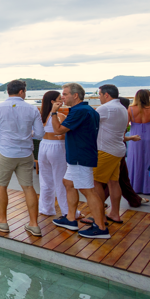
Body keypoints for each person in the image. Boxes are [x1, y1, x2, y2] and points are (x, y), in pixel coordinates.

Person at [0, 80, 44, 236]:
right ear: (22, 91)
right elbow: (39, 134)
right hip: (25, 153)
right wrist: (27, 135)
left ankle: (2, 221)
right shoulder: (32, 109)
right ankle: (34, 224)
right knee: (28, 187)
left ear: (8, 91)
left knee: (1, 186)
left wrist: (2, 134)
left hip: (6, 152)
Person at [50, 83, 108, 238]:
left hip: (79, 157)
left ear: (75, 95)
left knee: (88, 191)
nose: (62, 97)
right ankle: (70, 218)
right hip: (80, 155)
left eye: (65, 94)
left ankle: (101, 228)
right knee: (68, 183)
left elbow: (58, 130)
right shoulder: (88, 110)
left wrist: (53, 113)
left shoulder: (79, 111)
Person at [90, 85, 134, 226]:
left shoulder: (105, 108)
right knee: (113, 182)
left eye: (100, 94)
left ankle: (99, 216)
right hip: (118, 149)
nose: (99, 97)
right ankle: (115, 213)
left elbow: (90, 123)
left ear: (107, 95)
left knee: (95, 182)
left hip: (105, 150)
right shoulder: (122, 108)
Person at [38, 91, 69, 218]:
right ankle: (67, 211)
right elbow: (65, 133)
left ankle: (46, 208)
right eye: (59, 99)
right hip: (57, 147)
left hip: (43, 146)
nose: (62, 101)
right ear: (52, 101)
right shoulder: (59, 116)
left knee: (45, 180)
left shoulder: (41, 116)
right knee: (61, 180)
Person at [128, 89, 150, 194]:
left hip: (135, 136)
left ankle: (135, 187)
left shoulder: (130, 109)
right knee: (149, 160)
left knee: (135, 160)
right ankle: (148, 188)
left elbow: (125, 125)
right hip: (149, 135)